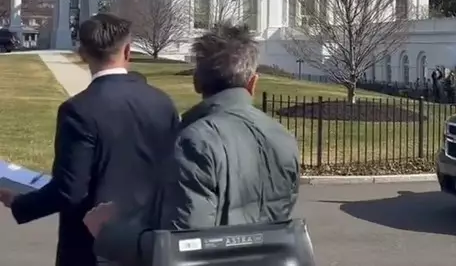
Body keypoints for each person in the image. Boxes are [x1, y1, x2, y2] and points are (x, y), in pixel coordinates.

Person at [85, 23, 301, 265]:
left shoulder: (196, 142)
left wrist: (108, 232)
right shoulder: (283, 137)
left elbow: (184, 248)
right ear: (253, 82)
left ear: (197, 82)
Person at [0, 13, 179, 266]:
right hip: (149, 239)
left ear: (81, 53)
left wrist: (19, 203)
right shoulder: (163, 103)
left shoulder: (78, 110)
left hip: (92, 245)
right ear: (128, 50)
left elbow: (70, 190)